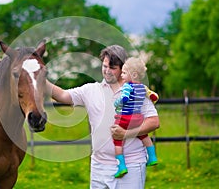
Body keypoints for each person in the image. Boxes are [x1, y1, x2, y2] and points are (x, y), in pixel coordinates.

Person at [46, 45, 159, 189]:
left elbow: (154, 122)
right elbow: (62, 95)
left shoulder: (136, 91)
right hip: (99, 166)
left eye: (112, 67)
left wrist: (126, 134)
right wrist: (39, 79)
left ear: (123, 68)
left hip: (132, 166)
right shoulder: (90, 90)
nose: (107, 71)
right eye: (105, 66)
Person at [113, 57, 158, 178]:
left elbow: (125, 98)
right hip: (138, 118)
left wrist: (117, 103)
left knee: (117, 139)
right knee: (143, 135)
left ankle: (121, 166)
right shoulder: (143, 87)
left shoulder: (128, 86)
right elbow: (153, 96)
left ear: (133, 74)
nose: (121, 75)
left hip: (126, 118)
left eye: (124, 72)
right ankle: (152, 157)